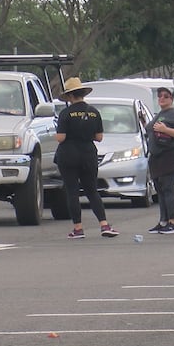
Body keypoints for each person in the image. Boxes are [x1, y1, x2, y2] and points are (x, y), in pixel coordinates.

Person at [54, 77, 119, 239]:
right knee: (92, 191)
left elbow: (60, 138)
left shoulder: (65, 113)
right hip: (89, 154)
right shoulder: (93, 112)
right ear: (83, 93)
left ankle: (78, 228)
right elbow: (99, 137)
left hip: (68, 154)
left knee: (72, 191)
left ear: (69, 96)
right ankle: (104, 224)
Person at [146, 86, 174, 234]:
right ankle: (164, 221)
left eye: (165, 96)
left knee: (169, 189)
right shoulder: (159, 115)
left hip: (170, 155)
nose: (162, 98)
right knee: (160, 190)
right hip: (156, 157)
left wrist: (166, 130)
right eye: (159, 96)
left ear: (171, 98)